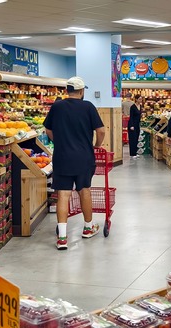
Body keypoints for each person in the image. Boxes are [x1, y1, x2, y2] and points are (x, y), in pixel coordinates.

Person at [44, 76, 106, 250]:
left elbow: (48, 129)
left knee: (63, 194)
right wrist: (96, 145)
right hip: (83, 157)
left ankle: (62, 238)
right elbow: (100, 130)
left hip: (62, 156)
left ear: (67, 90)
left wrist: (59, 141)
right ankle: (88, 228)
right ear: (81, 91)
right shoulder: (88, 107)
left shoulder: (57, 106)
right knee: (84, 191)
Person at [127, 95, 142, 159]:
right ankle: (132, 153)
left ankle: (135, 152)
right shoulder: (132, 107)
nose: (140, 100)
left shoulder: (140, 106)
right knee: (132, 139)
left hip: (137, 124)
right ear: (136, 99)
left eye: (141, 99)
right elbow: (131, 117)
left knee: (136, 138)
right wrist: (131, 125)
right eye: (139, 99)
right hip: (132, 125)